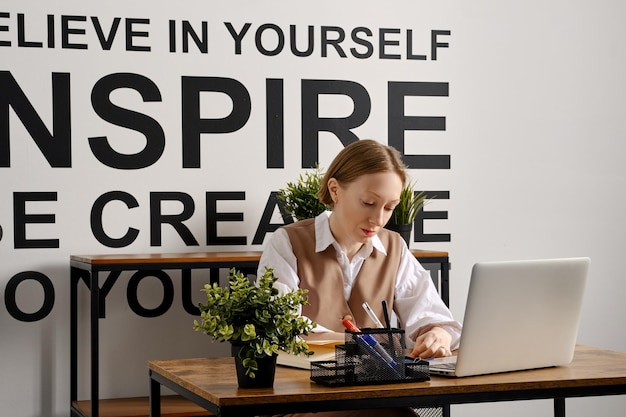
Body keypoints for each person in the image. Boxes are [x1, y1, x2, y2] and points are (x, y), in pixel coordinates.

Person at [258, 139, 461, 417]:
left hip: (374, 397)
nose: (378, 219)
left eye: (389, 207)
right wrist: (357, 343)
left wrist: (437, 333)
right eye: (368, 202)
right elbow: (279, 326)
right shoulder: (288, 242)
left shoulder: (395, 247)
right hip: (302, 398)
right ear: (335, 190)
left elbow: (431, 316)